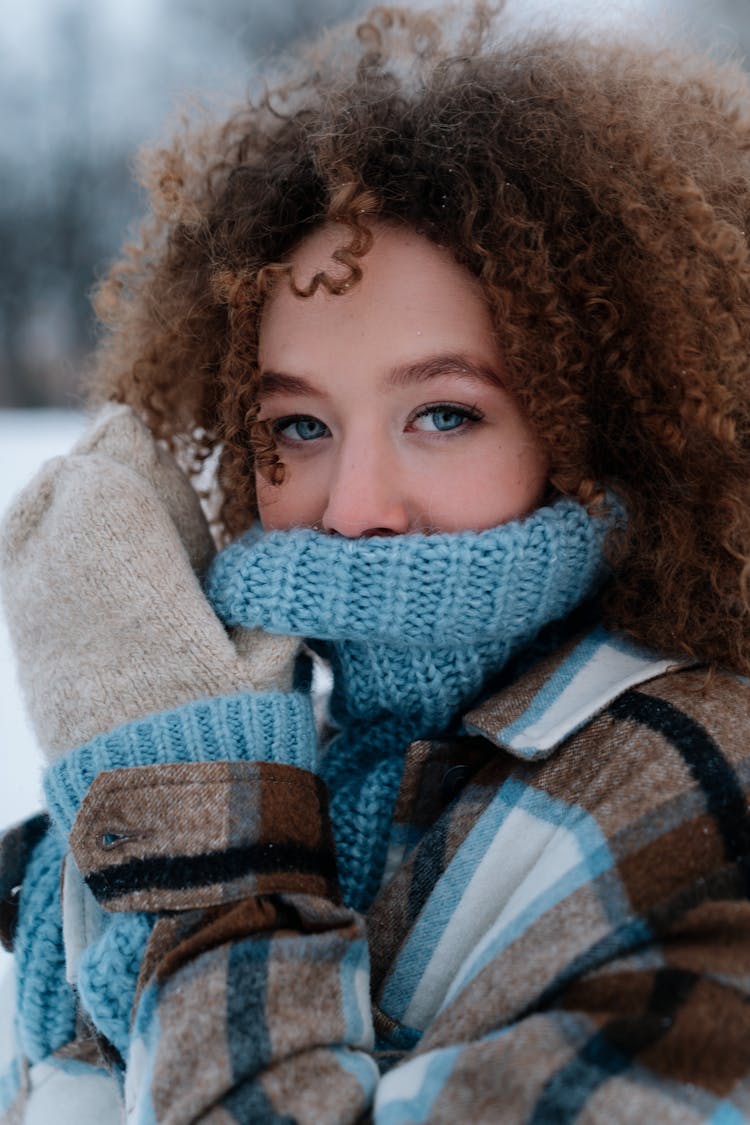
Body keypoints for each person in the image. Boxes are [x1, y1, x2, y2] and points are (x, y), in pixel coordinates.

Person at [2, 2, 750, 1121]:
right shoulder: (275, 745)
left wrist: (204, 863)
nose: (353, 510)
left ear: (603, 429)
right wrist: (103, 839)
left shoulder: (692, 796)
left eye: (444, 415)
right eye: (298, 427)